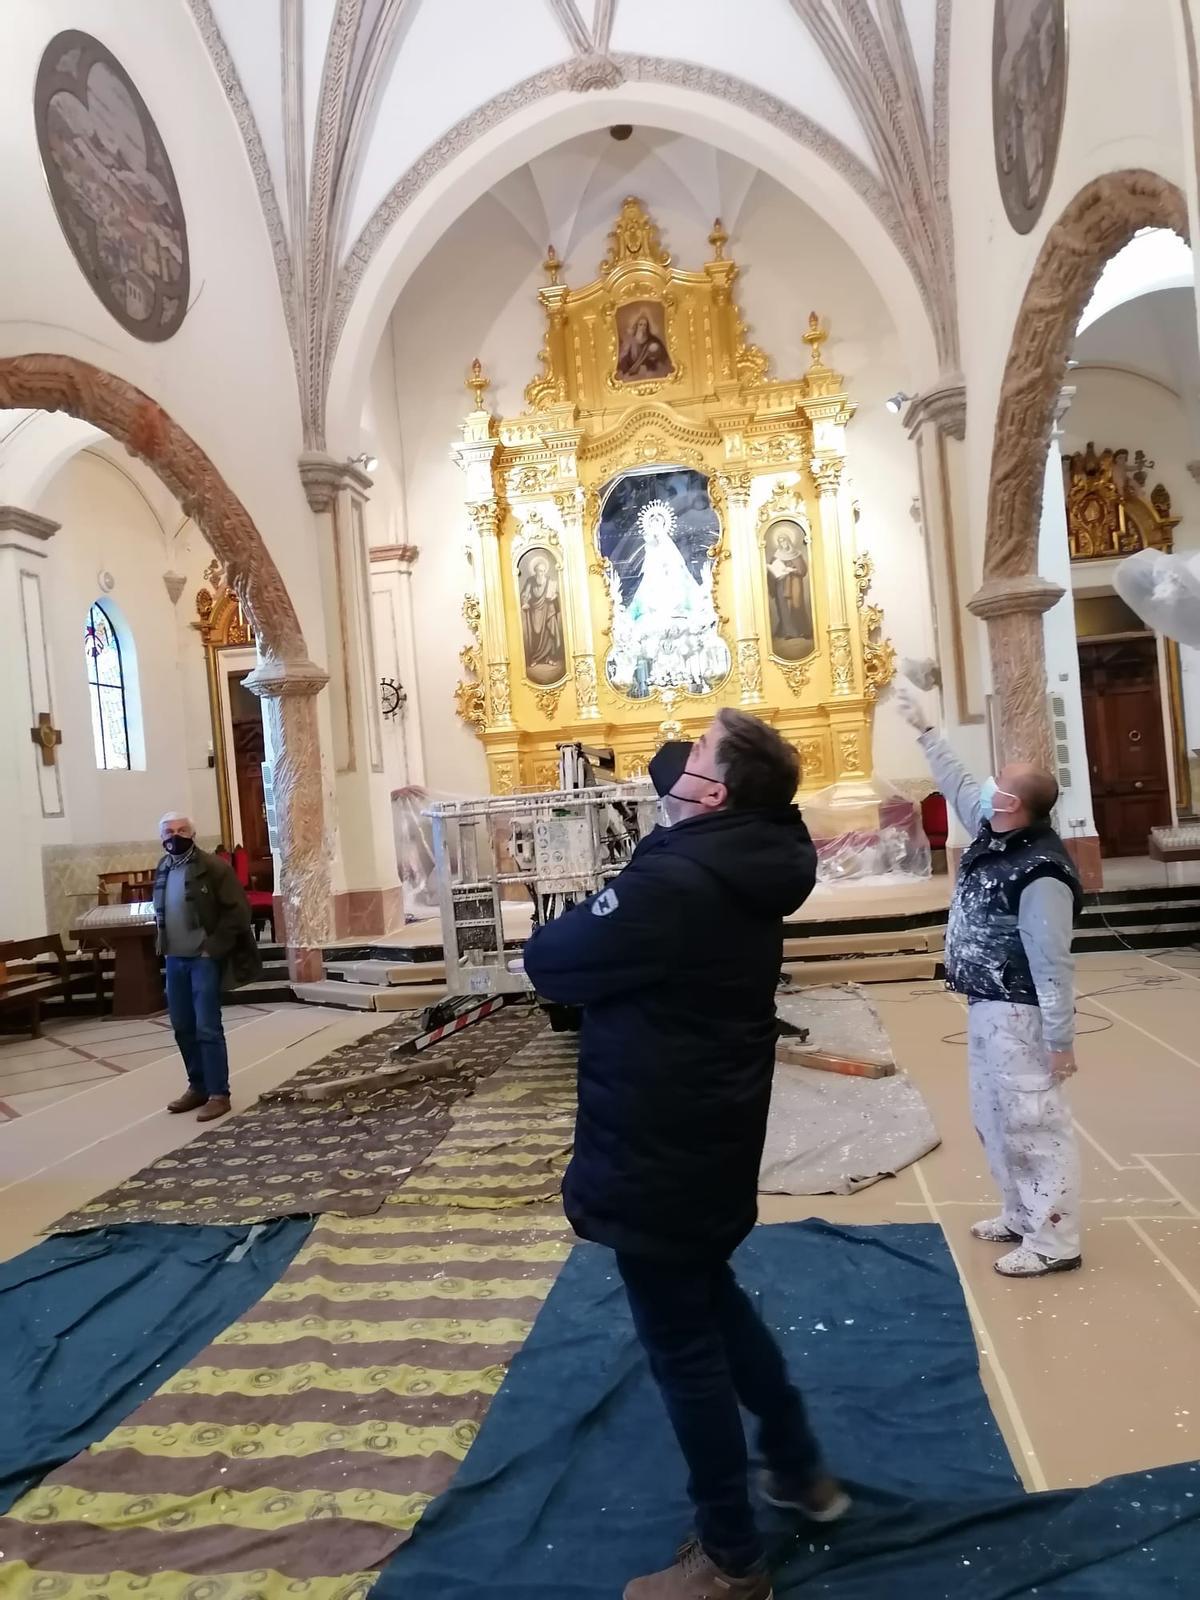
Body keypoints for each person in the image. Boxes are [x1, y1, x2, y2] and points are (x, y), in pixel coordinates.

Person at [523, 710, 848, 1600]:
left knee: (684, 1350)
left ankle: (731, 1559)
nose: (679, 756)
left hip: (657, 1142)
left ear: (714, 792)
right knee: (713, 1300)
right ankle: (798, 1465)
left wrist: (589, 916)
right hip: (711, 1128)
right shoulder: (755, 858)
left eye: (698, 750)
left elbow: (553, 960)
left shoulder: (674, 880)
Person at [893, 684, 1084, 1278]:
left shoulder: (1041, 871)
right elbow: (957, 783)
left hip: (1021, 1011)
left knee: (1033, 1122)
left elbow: (1052, 962)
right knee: (995, 1116)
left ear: (1012, 803)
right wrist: (926, 732)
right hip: (986, 1003)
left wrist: (1060, 1040)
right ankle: (1020, 1214)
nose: (986, 784)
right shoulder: (995, 829)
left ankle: (1055, 1240)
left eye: (997, 781)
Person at [152, 813, 259, 1123]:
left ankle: (218, 1093)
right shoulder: (163, 867)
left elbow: (239, 911)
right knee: (182, 1025)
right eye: (169, 832)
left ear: (193, 834)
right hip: (174, 958)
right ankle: (197, 1086)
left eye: (182, 830)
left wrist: (212, 947)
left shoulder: (213, 867)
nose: (175, 836)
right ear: (161, 837)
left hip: (203, 959)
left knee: (207, 1026)